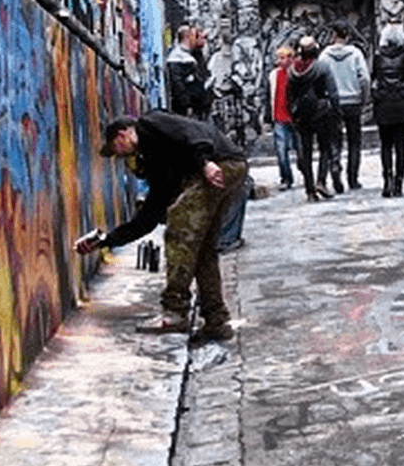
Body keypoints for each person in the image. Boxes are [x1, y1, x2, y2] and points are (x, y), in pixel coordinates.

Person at [75, 110, 249, 344]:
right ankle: (216, 321)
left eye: (116, 148)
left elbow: (193, 134)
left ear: (123, 134)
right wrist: (106, 240)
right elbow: (147, 219)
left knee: (179, 228)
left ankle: (174, 312)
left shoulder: (150, 124)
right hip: (227, 167)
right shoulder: (161, 169)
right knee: (203, 250)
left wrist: (205, 163)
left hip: (220, 165)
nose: (119, 156)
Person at [318, 22, 370, 192]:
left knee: (335, 139)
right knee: (355, 141)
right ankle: (353, 178)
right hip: (353, 101)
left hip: (333, 103)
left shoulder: (324, 55)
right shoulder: (355, 54)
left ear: (333, 35)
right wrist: (363, 98)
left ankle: (335, 165)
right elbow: (365, 79)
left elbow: (320, 78)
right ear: (347, 35)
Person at [286, 35, 339, 202]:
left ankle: (309, 191)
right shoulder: (322, 67)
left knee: (306, 151)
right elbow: (333, 92)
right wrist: (336, 110)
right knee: (325, 149)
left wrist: (293, 114)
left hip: (302, 115)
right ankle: (321, 181)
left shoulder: (292, 71)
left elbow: (289, 96)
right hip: (322, 112)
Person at [369, 24, 404, 197]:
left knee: (386, 145)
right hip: (402, 104)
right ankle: (399, 183)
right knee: (401, 146)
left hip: (383, 104)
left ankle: (387, 180)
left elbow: (373, 78)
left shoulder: (377, 57)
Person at [262, 45, 298, 190]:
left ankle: (304, 171)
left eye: (286, 57)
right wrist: (267, 116)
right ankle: (286, 177)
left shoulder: (296, 73)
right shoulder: (273, 75)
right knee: (281, 151)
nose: (283, 61)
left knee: (300, 150)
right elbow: (268, 95)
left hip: (294, 117)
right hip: (279, 116)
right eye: (281, 58)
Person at [166, 25, 210, 118]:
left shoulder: (192, 55)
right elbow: (178, 84)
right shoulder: (178, 58)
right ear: (187, 36)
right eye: (194, 36)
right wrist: (187, 104)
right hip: (187, 109)